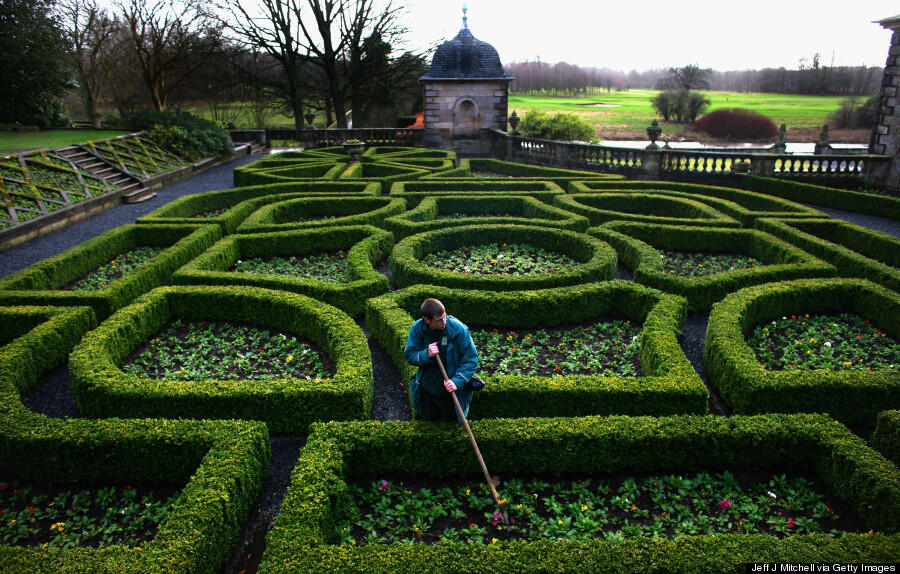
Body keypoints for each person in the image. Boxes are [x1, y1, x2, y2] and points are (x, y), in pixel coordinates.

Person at [403, 298, 478, 422]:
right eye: (439, 320)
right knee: (429, 423)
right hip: (427, 390)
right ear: (427, 320)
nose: (444, 322)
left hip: (450, 393)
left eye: (444, 317)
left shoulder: (458, 329)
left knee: (451, 425)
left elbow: (471, 358)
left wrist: (457, 381)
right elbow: (410, 355)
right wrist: (426, 354)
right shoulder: (417, 329)